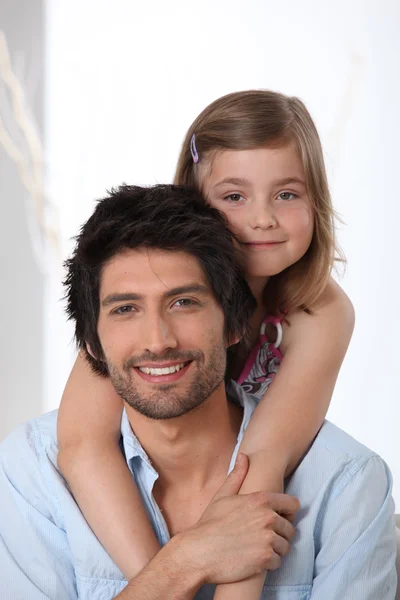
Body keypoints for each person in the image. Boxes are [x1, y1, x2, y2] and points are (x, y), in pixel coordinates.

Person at [0, 184, 396, 600]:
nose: (158, 340)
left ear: (235, 325)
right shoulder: (33, 471)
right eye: (125, 309)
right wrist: (187, 560)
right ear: (93, 346)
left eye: (184, 302)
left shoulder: (346, 485)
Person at [57, 90, 358, 599]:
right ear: (194, 201)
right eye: (234, 196)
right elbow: (83, 446)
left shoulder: (322, 313)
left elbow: (261, 463)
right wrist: (170, 574)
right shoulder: (143, 292)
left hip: (245, 493)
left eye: (287, 194)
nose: (262, 219)